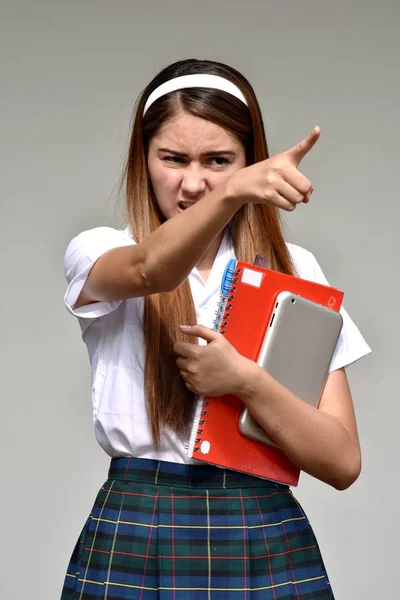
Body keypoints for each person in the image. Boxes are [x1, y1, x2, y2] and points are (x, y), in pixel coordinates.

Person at [61, 58, 371, 599]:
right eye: (173, 159)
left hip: (262, 527)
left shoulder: (292, 269)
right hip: (139, 524)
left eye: (219, 161)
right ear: (144, 159)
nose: (194, 183)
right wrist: (233, 192)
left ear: (249, 161)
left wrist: (246, 381)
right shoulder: (100, 250)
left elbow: (342, 461)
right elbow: (148, 270)